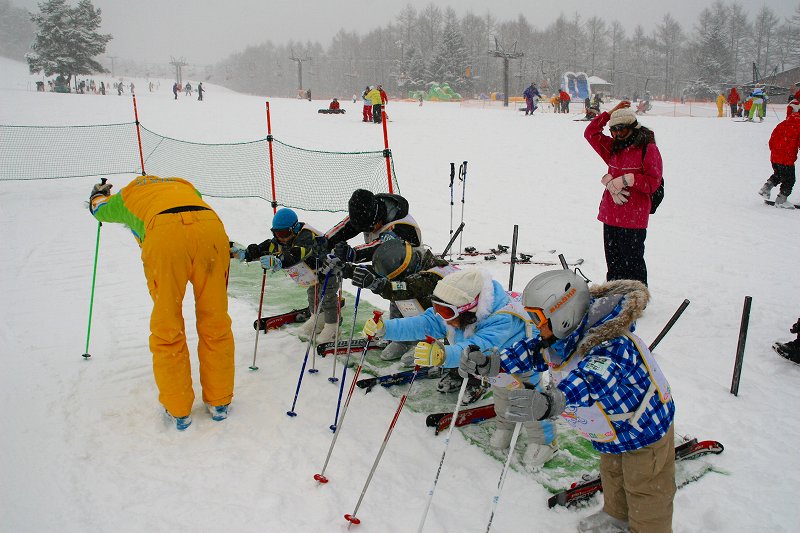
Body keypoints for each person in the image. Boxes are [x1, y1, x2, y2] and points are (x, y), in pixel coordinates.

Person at [482, 269, 675, 533]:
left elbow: (593, 378)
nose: (537, 326)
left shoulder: (613, 345)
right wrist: (494, 361)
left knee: (646, 487)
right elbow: (532, 350)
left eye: (539, 319)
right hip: (610, 428)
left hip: (643, 427)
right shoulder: (563, 336)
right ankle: (617, 514)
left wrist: (553, 400)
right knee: (613, 473)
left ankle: (649, 528)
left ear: (563, 315)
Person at [88, 176, 235, 431]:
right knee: (215, 320)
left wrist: (97, 195)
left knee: (168, 326)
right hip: (211, 231)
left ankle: (178, 409)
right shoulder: (186, 185)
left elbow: (100, 211)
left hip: (166, 238)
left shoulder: (128, 195)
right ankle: (219, 402)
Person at [363, 269, 557, 461]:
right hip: (491, 368)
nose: (442, 316)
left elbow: (479, 347)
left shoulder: (502, 319)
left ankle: (544, 441)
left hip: (520, 364)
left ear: (470, 308)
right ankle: (507, 425)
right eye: (437, 308)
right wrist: (386, 329)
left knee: (530, 398)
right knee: (502, 395)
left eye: (446, 311)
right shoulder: (453, 313)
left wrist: (443, 355)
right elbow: (425, 323)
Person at [231, 208, 342, 343]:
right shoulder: (279, 241)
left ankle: (332, 327)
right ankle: (317, 319)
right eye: (277, 233)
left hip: (330, 269)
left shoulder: (306, 236)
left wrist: (279, 261)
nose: (281, 237)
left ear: (294, 229)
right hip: (313, 273)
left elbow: (297, 254)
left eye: (284, 233)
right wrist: (247, 254)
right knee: (313, 295)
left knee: (327, 297)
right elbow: (266, 247)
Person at [585, 100, 662, 285]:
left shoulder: (648, 149)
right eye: (614, 130)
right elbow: (590, 133)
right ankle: (614, 295)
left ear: (633, 128)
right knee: (614, 264)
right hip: (611, 214)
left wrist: (629, 179)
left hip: (634, 217)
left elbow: (653, 182)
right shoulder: (613, 147)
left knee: (633, 264)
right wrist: (609, 113)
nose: (618, 134)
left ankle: (637, 297)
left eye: (622, 129)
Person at [347, 238, 458, 366]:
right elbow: (384, 276)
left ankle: (428, 344)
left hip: (453, 315)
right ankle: (403, 340)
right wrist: (349, 270)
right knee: (397, 298)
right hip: (431, 302)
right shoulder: (414, 263)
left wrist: (377, 285)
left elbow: (406, 288)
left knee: (405, 296)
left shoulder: (431, 275)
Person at [758, 107, 800, 209]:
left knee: (779, 174)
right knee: (789, 180)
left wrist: (775, 151)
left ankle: (766, 188)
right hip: (787, 157)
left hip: (775, 155)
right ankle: (781, 200)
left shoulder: (783, 123)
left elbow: (772, 139)